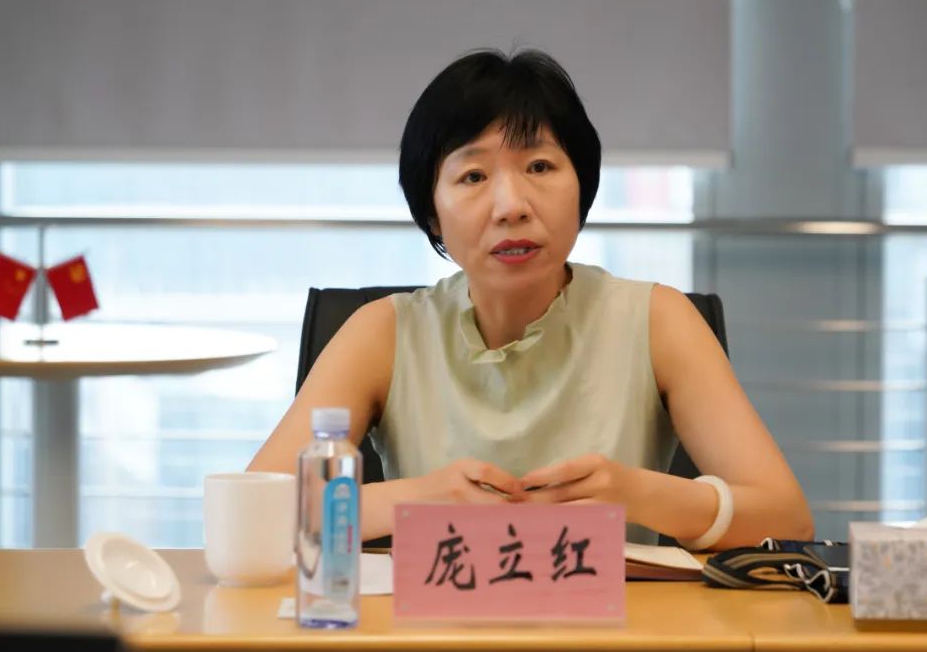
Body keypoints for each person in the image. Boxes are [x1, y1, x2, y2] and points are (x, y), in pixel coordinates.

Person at [249, 49, 813, 549]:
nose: (511, 206)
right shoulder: (383, 332)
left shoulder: (658, 320)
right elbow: (255, 514)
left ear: (582, 187)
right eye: (473, 177)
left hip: (617, 624)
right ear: (432, 213)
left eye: (540, 166)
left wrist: (637, 494)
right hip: (433, 623)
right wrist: (415, 498)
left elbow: (786, 517)